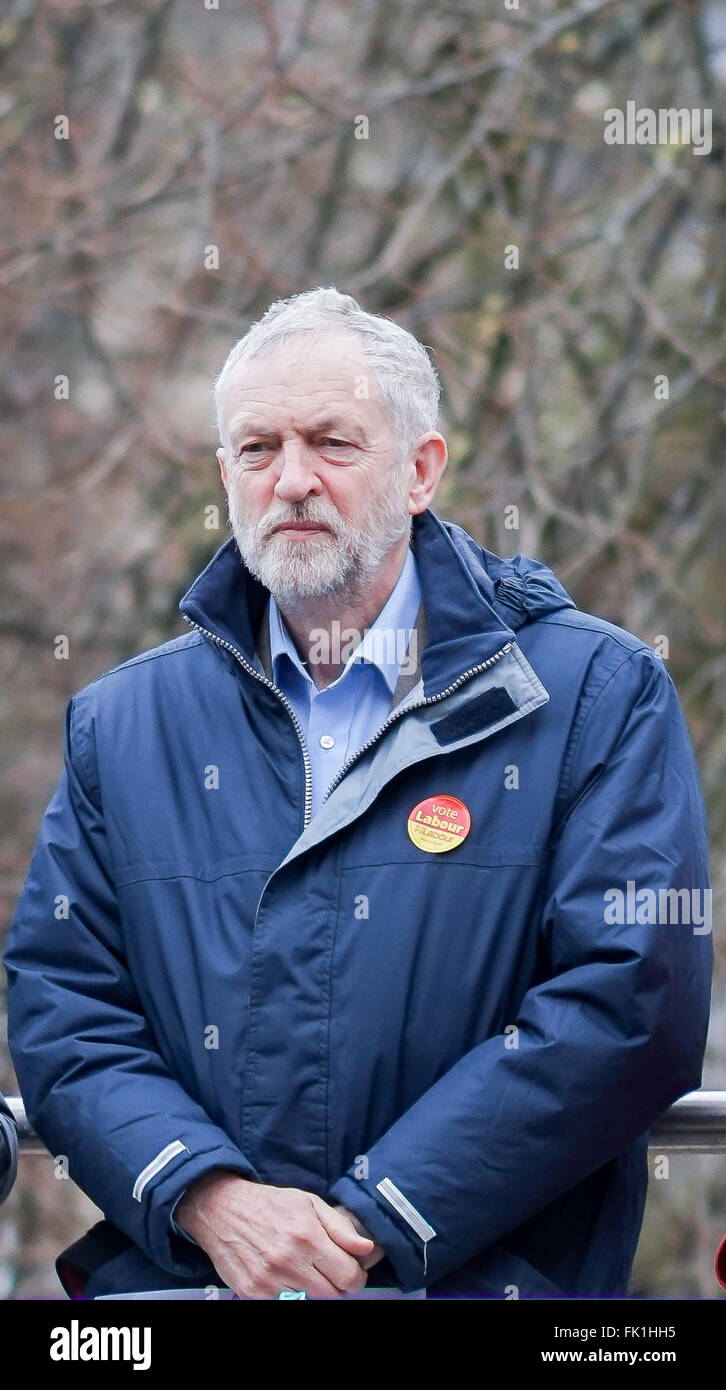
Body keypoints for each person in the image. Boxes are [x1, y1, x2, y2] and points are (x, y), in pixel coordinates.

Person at [3, 287, 713, 1300]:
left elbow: (631, 1002)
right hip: (184, 1296)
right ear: (225, 476)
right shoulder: (125, 725)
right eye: (257, 450)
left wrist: (379, 1221)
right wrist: (211, 1198)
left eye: (331, 442)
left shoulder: (590, 695)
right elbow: (65, 1008)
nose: (290, 480)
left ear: (421, 469)